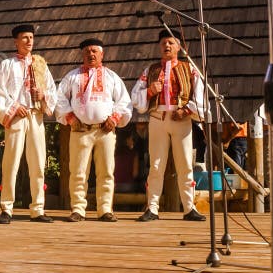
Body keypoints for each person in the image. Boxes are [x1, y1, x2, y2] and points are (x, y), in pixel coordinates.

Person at [131, 29, 206, 222]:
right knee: (156, 165)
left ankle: (189, 208)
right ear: (159, 46)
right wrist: (149, 91)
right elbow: (135, 97)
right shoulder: (150, 70)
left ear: (179, 47)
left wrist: (187, 110)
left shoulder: (190, 69)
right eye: (164, 43)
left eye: (171, 43)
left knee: (185, 165)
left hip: (181, 119)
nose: (167, 46)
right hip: (157, 118)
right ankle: (152, 208)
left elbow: (200, 96)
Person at [55, 38, 132, 222]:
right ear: (82, 54)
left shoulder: (111, 77)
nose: (91, 54)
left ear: (101, 54)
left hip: (105, 131)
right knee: (78, 171)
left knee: (106, 171)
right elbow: (59, 99)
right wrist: (70, 117)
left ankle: (105, 209)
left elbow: (124, 101)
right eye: (87, 51)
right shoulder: (72, 76)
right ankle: (78, 209)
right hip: (80, 130)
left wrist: (115, 118)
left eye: (94, 51)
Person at [0, 24, 57, 223]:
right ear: (16, 42)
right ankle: (6, 208)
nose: (29, 41)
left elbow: (53, 92)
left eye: (31, 37)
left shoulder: (41, 65)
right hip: (17, 116)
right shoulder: (7, 64)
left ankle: (38, 208)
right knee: (11, 161)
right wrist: (13, 106)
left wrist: (43, 95)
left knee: (38, 162)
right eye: (24, 38)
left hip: (36, 116)